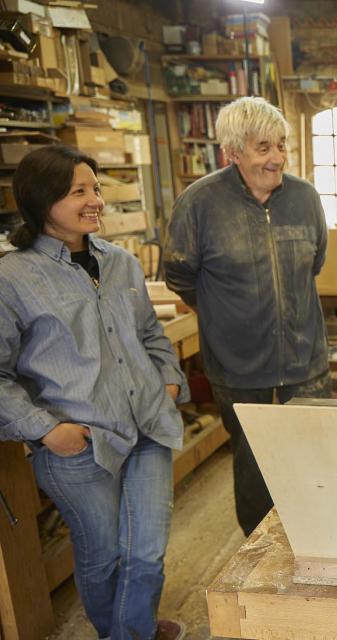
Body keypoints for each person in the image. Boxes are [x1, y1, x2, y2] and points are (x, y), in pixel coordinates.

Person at [0, 145, 189, 640]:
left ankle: (131, 633)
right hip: (78, 444)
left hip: (147, 425)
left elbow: (150, 334)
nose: (97, 201)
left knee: (146, 550)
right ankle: (136, 631)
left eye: (97, 189)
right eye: (79, 191)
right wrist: (48, 430)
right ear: (43, 201)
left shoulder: (121, 263)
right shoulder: (11, 277)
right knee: (103, 556)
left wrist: (168, 382)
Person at [163, 96, 331, 536]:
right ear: (232, 153)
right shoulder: (199, 204)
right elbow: (180, 276)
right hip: (238, 367)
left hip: (305, 361)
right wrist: (228, 315)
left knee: (315, 460)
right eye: (263, 148)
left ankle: (316, 542)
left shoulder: (304, 198)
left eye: (281, 146)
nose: (276, 158)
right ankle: (260, 553)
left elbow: (314, 265)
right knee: (254, 466)